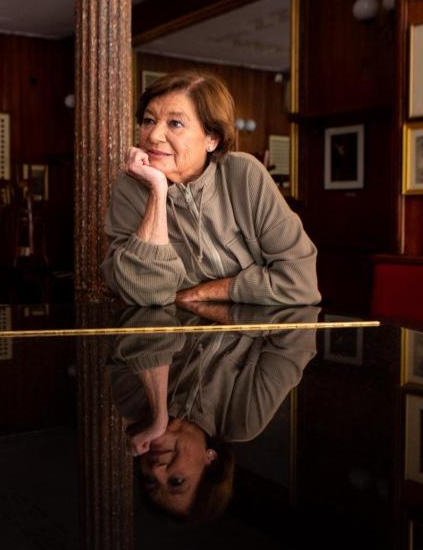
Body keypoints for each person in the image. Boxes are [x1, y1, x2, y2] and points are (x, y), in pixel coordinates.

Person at [102, 71, 319, 307]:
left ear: (212, 139)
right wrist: (157, 191)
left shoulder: (244, 174)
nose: (154, 135)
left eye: (175, 123)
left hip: (257, 326)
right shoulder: (130, 187)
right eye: (148, 120)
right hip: (175, 329)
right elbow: (144, 293)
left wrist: (203, 292)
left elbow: (300, 282)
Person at [110, 304, 318, 521]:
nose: (156, 470)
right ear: (211, 461)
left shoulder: (131, 401)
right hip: (263, 289)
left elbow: (142, 311)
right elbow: (299, 323)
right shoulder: (243, 419)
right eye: (176, 481)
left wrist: (158, 408)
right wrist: (201, 303)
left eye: (150, 481)